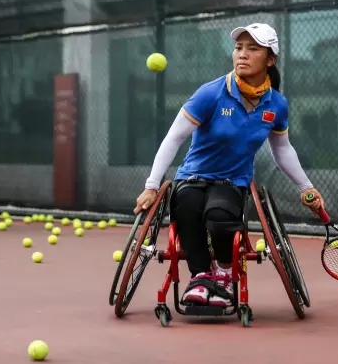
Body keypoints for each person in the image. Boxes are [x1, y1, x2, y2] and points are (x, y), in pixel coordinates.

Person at [133, 22, 324, 308]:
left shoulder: (277, 105)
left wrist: (306, 187)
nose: (242, 54)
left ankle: (222, 273)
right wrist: (151, 186)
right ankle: (199, 278)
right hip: (192, 177)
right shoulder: (210, 94)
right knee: (186, 204)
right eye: (238, 48)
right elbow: (174, 138)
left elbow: (282, 149)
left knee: (220, 214)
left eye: (252, 49)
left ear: (270, 59)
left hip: (233, 182)